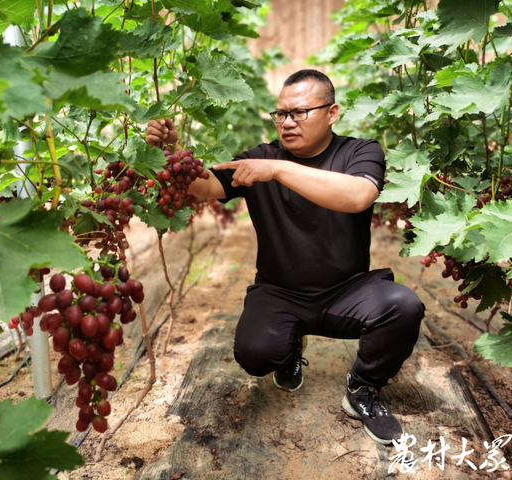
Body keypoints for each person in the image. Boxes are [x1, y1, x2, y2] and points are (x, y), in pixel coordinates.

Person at [145, 69, 425, 445]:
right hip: (280, 292)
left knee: (403, 306)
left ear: (332, 112)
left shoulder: (360, 151)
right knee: (256, 354)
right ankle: (290, 350)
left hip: (347, 291)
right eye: (281, 114)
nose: (287, 122)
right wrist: (168, 153)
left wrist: (276, 170)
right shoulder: (260, 159)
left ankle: (362, 389)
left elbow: (358, 195)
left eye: (299, 112)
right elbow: (205, 186)